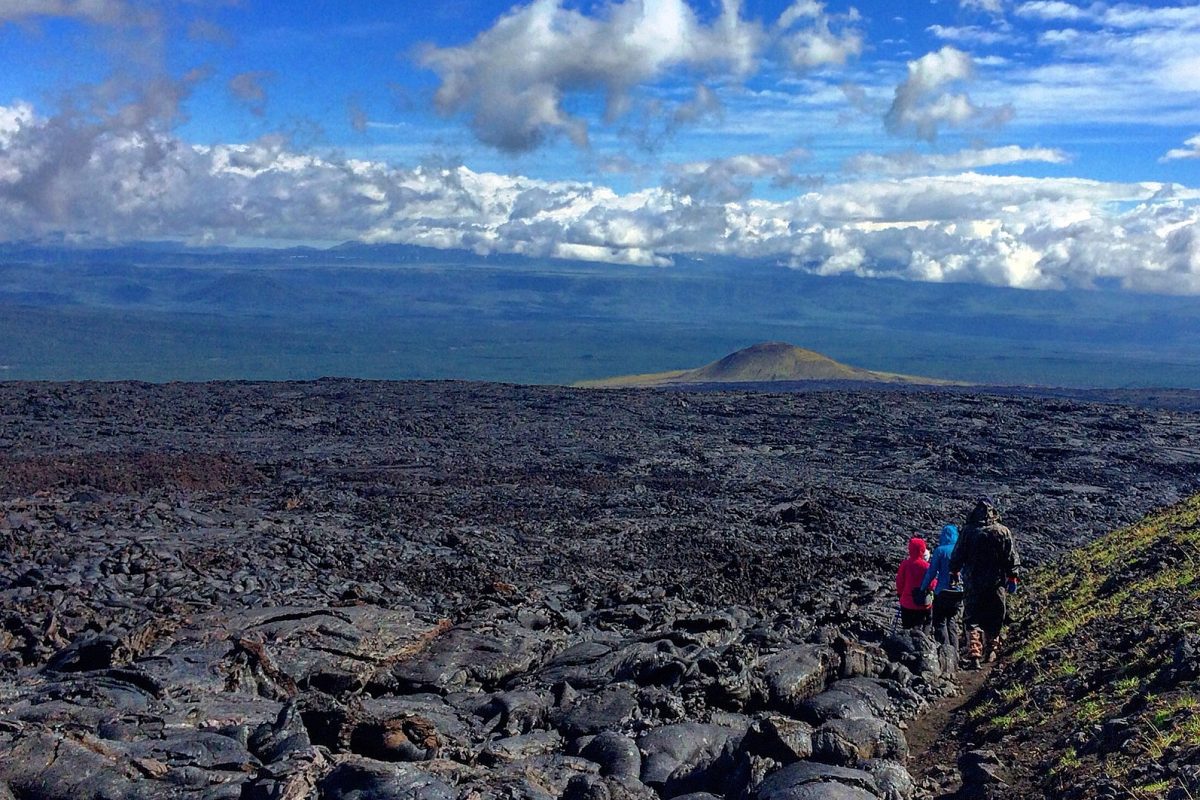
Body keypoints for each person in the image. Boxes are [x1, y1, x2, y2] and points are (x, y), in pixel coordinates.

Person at [949, 497, 1021, 668]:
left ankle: (974, 653)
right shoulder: (1002, 531)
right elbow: (1011, 556)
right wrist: (1013, 576)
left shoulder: (968, 531)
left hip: (973, 581)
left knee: (972, 617)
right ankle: (992, 650)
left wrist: (954, 571)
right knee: (995, 615)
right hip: (996, 582)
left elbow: (958, 555)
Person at [921, 524, 963, 652]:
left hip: (942, 592)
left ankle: (945, 652)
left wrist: (923, 588)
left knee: (940, 622)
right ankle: (955, 652)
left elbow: (931, 572)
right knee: (952, 621)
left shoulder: (940, 550)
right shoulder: (960, 550)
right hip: (958, 592)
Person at [895, 536, 933, 629]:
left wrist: (900, 594)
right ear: (923, 549)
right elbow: (932, 584)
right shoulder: (926, 566)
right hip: (922, 604)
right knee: (923, 624)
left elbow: (899, 581)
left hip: (907, 603)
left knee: (906, 627)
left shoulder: (905, 564)